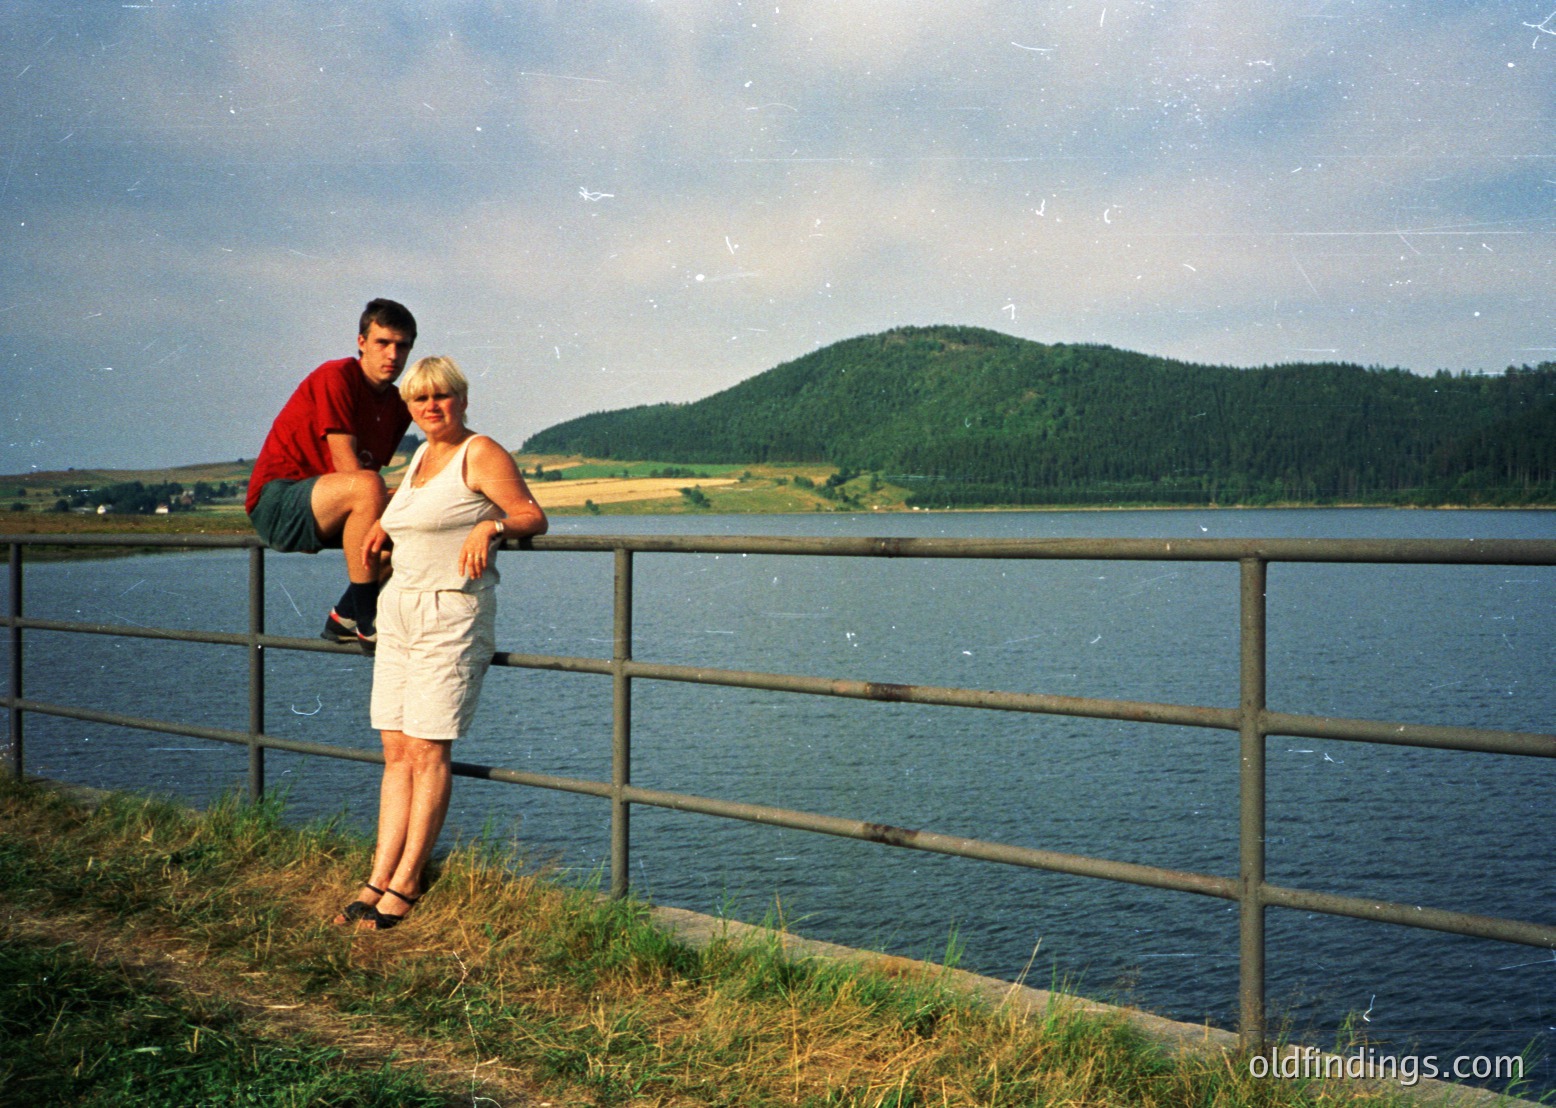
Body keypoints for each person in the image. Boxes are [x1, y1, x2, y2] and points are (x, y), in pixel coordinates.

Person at [335, 355, 548, 930]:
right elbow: (414, 521)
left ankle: (406, 882)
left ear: (463, 398)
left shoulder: (480, 452)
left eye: (442, 396)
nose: (432, 407)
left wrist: (491, 525)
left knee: (428, 750)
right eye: (420, 399)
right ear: (410, 408)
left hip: (450, 613)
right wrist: (384, 527)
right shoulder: (421, 457)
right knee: (395, 750)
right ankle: (378, 874)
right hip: (400, 611)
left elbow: (532, 515)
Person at [245, 298, 417, 648]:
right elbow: (350, 468)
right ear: (361, 342)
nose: (392, 355)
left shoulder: (399, 405)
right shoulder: (336, 376)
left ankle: (344, 617)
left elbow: (365, 481)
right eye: (383, 343)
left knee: (416, 514)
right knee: (371, 487)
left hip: (333, 502)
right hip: (280, 500)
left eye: (402, 346)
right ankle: (369, 623)